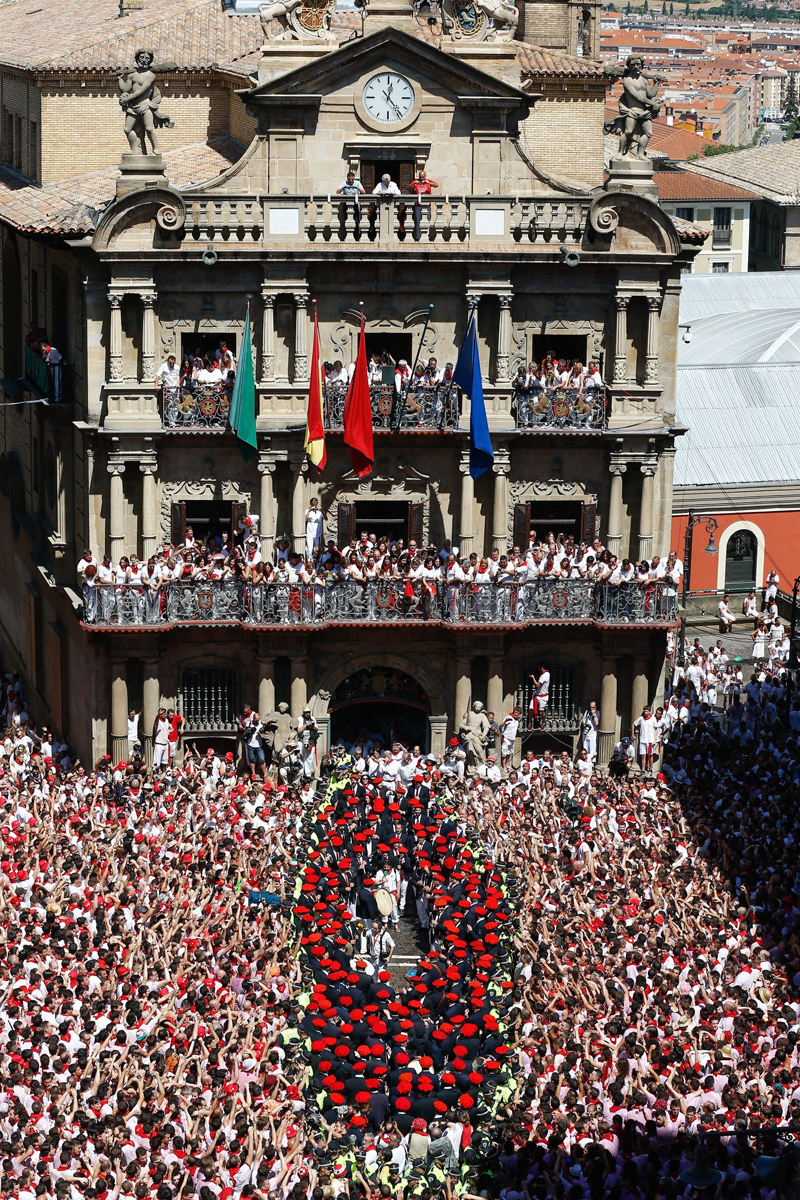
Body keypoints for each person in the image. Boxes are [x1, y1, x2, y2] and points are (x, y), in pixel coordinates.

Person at [632, 704, 659, 773]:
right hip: (642, 740)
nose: (645, 713)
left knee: (650, 755)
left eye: (646, 711)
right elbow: (634, 724)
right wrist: (632, 734)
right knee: (643, 755)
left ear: (649, 711)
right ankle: (643, 769)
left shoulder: (653, 718)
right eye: (644, 711)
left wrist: (654, 739)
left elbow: (656, 729)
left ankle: (650, 768)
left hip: (650, 740)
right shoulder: (641, 719)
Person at [305, 497, 324, 561]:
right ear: (310, 504)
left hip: (317, 534)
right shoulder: (307, 511)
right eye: (313, 504)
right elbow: (305, 519)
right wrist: (310, 510)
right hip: (310, 533)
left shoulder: (320, 512)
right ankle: (309, 561)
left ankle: (317, 561)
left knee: (317, 550)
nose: (314, 505)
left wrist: (322, 511)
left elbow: (326, 518)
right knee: (309, 549)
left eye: (315, 504)